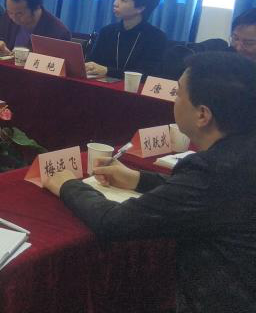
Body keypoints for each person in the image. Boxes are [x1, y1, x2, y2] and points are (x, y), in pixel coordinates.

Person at [44, 52, 256, 312]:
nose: (174, 100)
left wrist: (68, 185)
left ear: (203, 115)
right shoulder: (242, 153)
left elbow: (114, 222)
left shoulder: (213, 172)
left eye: (178, 93)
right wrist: (138, 179)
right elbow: (206, 196)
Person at [85, 0, 167, 78]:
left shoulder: (156, 37)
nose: (115, 3)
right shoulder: (107, 31)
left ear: (140, 8)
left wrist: (108, 71)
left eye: (123, 0)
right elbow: (92, 62)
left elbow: (147, 74)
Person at [0, 0, 71, 54]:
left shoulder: (59, 33)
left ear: (36, 8)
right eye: (10, 12)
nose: (13, 18)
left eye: (19, 14)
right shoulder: (9, 15)